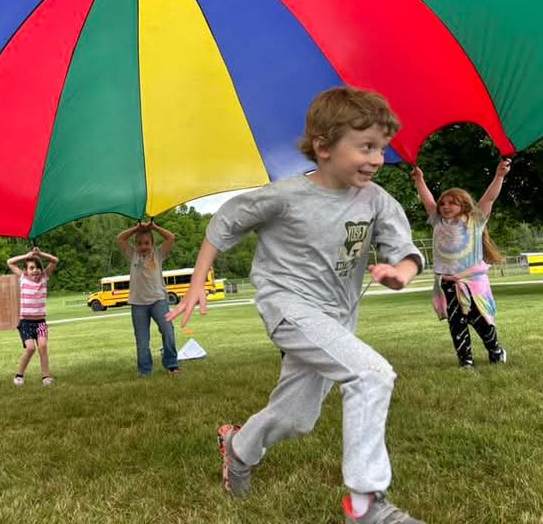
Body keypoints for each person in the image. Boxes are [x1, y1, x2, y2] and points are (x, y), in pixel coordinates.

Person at [167, 87, 426, 524]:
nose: (378, 159)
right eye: (365, 147)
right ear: (324, 147)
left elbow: (405, 249)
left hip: (337, 317)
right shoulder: (285, 196)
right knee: (371, 374)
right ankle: (365, 506)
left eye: (381, 148)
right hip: (288, 307)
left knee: (296, 418)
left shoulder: (377, 200)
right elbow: (224, 222)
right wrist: (196, 283)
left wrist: (401, 273)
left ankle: (238, 449)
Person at [411, 160, 510, 369]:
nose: (445, 206)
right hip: (448, 282)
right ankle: (465, 360)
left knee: (480, 320)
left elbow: (489, 198)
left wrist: (499, 176)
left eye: (452, 202)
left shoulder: (475, 220)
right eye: (443, 203)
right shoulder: (437, 221)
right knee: (456, 322)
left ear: (464, 205)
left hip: (472, 282)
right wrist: (419, 180)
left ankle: (495, 350)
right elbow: (427, 200)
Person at [117, 221, 179, 376]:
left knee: (168, 331)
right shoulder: (132, 255)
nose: (143, 246)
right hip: (138, 304)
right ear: (135, 245)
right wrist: (137, 229)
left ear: (152, 243)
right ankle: (145, 370)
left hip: (158, 300)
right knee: (142, 340)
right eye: (139, 243)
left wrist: (154, 227)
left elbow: (171, 238)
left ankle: (171, 364)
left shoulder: (158, 254)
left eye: (146, 243)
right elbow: (120, 238)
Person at [7, 247, 58, 386]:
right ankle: (19, 375)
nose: (35, 270)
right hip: (25, 322)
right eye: (31, 268)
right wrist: (27, 256)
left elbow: (55, 260)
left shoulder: (44, 278)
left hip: (40, 322)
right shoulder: (23, 278)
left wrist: (40, 254)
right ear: (26, 270)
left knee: (43, 346)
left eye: (37, 267)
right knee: (30, 348)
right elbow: (10, 262)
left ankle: (46, 377)